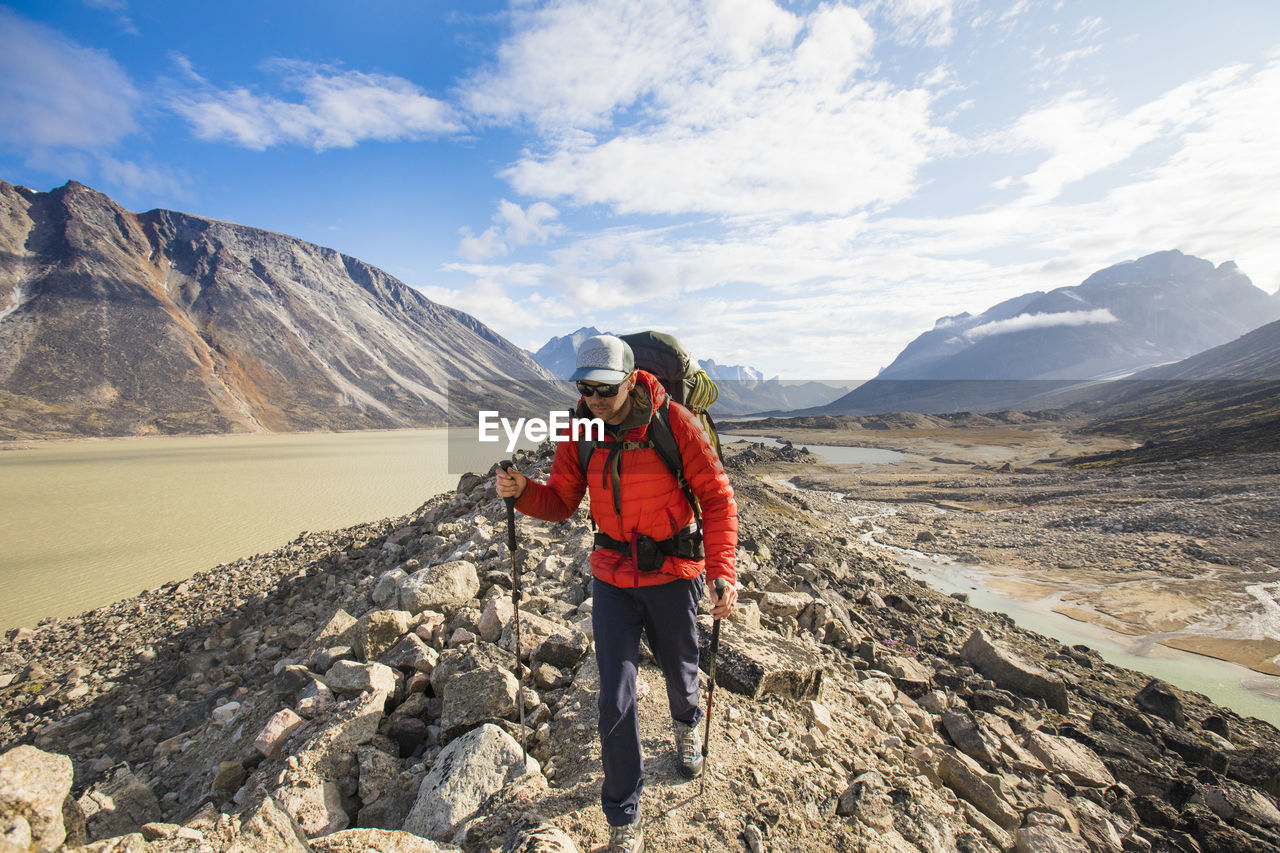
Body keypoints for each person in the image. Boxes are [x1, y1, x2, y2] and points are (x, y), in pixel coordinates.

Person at [496, 334, 738, 853]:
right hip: (611, 577)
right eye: (585, 389)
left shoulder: (674, 424)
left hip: (674, 574)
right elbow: (562, 501)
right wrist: (524, 493)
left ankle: (685, 724)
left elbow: (717, 497)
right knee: (615, 697)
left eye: (605, 389)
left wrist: (722, 570)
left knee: (681, 669)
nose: (595, 400)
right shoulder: (580, 429)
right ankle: (623, 817)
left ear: (631, 380)